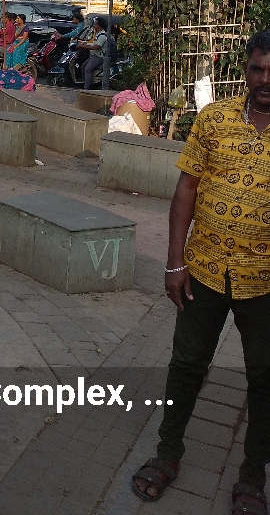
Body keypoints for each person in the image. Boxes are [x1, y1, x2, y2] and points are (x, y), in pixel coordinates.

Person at [131, 30, 270, 515]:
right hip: (204, 272)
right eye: (257, 69)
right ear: (246, 70)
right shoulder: (215, 119)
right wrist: (175, 262)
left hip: (264, 282)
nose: (265, 80)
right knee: (187, 366)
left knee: (264, 376)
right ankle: (168, 454)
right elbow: (186, 190)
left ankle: (252, 477)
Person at [0, 14, 35, 93]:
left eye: (18, 18)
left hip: (22, 44)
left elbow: (24, 39)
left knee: (15, 53)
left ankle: (17, 69)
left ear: (22, 20)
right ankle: (8, 70)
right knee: (8, 51)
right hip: (15, 42)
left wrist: (16, 46)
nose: (17, 20)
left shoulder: (25, 28)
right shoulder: (16, 27)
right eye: (16, 18)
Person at [76, 15, 108, 89]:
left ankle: (87, 87)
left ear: (98, 26)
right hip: (93, 55)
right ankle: (86, 82)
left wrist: (84, 46)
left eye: (95, 24)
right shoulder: (98, 34)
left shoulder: (102, 36)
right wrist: (85, 43)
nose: (94, 25)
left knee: (87, 69)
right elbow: (93, 44)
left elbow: (96, 47)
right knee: (83, 67)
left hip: (98, 57)